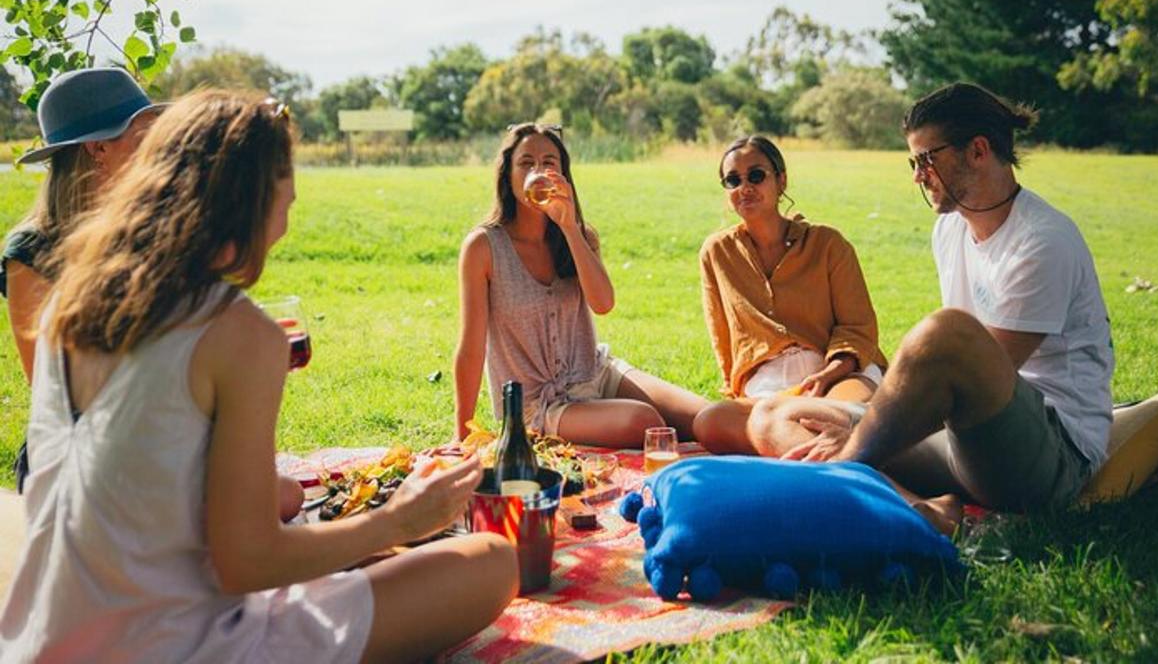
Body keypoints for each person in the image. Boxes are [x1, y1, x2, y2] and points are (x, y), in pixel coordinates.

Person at [0, 91, 518, 662]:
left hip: (41, 640)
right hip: (178, 646)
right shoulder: (238, 333)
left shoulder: (67, 303)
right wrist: (400, 518)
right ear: (252, 199)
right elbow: (246, 563)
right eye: (287, 197)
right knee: (490, 564)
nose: (288, 219)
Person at [756, 83, 1114, 517]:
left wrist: (857, 434)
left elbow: (979, 370)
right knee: (773, 414)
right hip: (963, 438)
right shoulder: (950, 229)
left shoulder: (1043, 241)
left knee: (947, 333)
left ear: (978, 150)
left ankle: (841, 478)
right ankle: (922, 509)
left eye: (926, 159)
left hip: (1049, 457)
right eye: (913, 162)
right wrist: (855, 420)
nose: (917, 176)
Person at [1, 69, 302, 519]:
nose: (161, 144)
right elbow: (61, 394)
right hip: (82, 466)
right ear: (98, 148)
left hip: (156, 445)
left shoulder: (151, 231)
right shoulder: (31, 252)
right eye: (144, 132)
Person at [454, 122, 708, 448]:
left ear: (563, 174)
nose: (538, 170)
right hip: (539, 405)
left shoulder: (582, 235)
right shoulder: (483, 247)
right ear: (508, 174)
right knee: (645, 423)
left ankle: (768, 454)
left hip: (595, 374)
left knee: (705, 417)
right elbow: (471, 347)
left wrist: (570, 228)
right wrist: (462, 432)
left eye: (549, 162)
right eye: (527, 162)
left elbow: (603, 304)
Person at [691, 136, 888, 454]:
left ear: (781, 180)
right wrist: (739, 390)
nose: (745, 187)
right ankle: (839, 453)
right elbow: (723, 339)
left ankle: (812, 453)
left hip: (842, 374)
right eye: (733, 180)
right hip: (770, 389)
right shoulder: (717, 252)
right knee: (709, 422)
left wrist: (828, 374)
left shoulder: (828, 244)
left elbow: (858, 328)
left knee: (823, 420)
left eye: (756, 175)